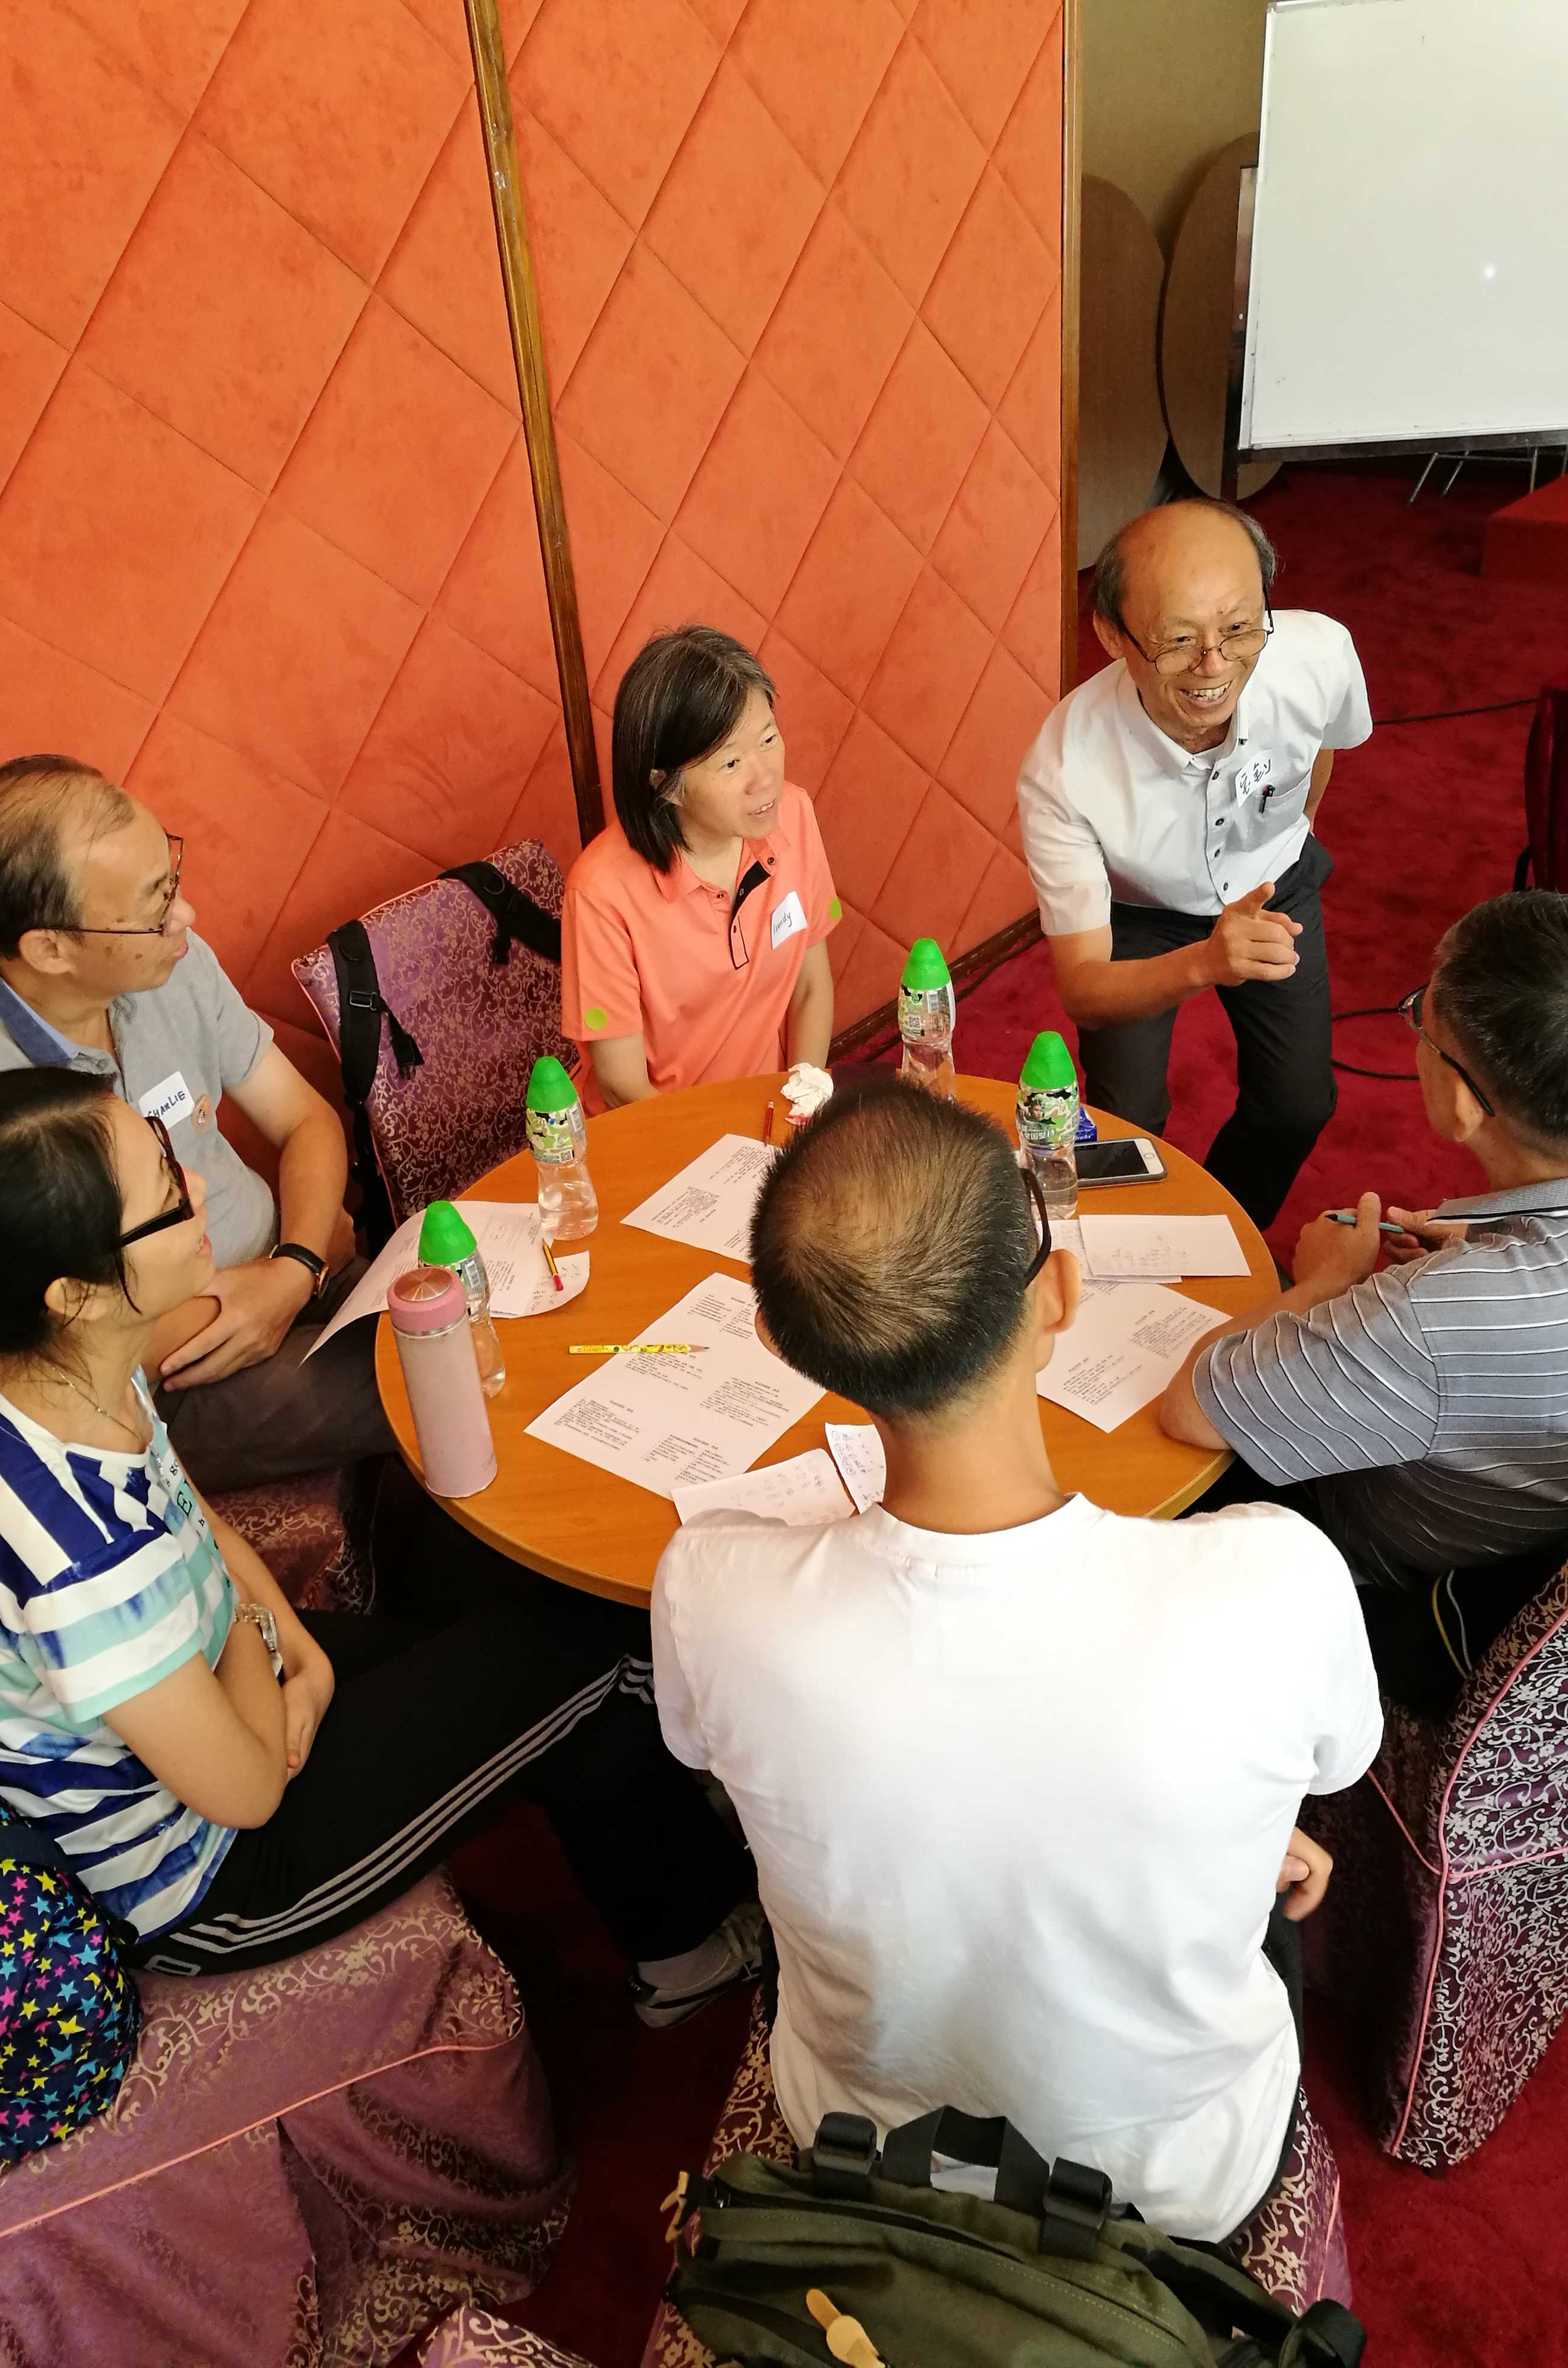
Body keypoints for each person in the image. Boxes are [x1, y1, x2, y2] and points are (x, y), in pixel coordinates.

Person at [652, 1083, 1381, 2240]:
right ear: (1059, 1293)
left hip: (858, 2136)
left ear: (789, 1349)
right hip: (1181, 2175)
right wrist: (1221, 1821)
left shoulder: (710, 1588)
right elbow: (1333, 1763)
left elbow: (720, 1754)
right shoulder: (1273, 1581)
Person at [0, 1068, 761, 2009]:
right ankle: (691, 1947)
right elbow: (248, 1790)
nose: (198, 1185)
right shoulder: (70, 1555)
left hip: (209, 1688)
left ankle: (672, 1900)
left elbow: (192, 1519)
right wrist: (271, 1644)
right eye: (167, 1192)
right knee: (597, 1653)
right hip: (215, 1879)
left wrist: (296, 1649)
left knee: (532, 1638)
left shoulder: (66, 1374)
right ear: (74, 1293)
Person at [0, 756, 381, 1494]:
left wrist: (297, 1265)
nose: (185, 916)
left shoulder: (158, 956)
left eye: (171, 880)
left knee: (475, 1305)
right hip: (171, 1379)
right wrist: (264, 1292)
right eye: (155, 906)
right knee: (431, 1369)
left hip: (293, 1263)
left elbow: (304, 1117)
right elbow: (46, 1368)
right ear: (50, 948)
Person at [1162, 891, 1568, 1713]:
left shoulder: (1433, 1319)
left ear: (1464, 1103)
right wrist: (1479, 1257)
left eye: (1422, 1019)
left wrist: (1323, 1283)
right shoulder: (1468, 1302)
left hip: (1389, 1587)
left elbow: (1192, 1409)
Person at [1016, 500, 1372, 1228]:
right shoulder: (1064, 766)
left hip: (1274, 882)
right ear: (1111, 634)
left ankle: (1224, 1230)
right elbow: (1084, 987)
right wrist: (1206, 961)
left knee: (1299, 1103)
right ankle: (1128, 1247)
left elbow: (1320, 749)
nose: (1213, 665)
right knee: (1129, 1116)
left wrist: (1295, 833)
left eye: (1239, 627)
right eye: (1178, 639)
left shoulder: (1318, 653)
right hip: (1136, 912)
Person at [560, 627, 839, 1112]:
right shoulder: (600, 893)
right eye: (731, 763)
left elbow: (810, 987)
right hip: (661, 1132)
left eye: (768, 738)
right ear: (665, 784)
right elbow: (622, 1086)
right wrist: (726, 1148)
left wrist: (803, 1105)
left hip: (769, 1114)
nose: (765, 777)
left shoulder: (794, 814)